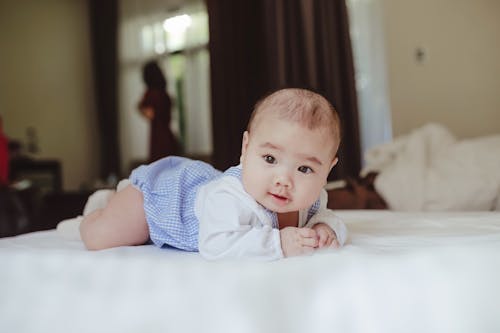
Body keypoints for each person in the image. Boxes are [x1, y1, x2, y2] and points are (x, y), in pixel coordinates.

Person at [79, 88, 347, 260]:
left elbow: (327, 217)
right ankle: (101, 206)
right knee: (102, 237)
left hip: (193, 192)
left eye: (304, 169)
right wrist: (278, 243)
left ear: (327, 170)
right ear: (246, 148)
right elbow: (215, 244)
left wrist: (325, 229)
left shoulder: (313, 198)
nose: (283, 180)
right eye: (269, 159)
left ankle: (114, 200)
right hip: (163, 203)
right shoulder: (229, 196)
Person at [138, 60, 178, 162]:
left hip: (158, 139)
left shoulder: (151, 94)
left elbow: (151, 115)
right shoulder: (164, 93)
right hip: (168, 136)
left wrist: (140, 108)